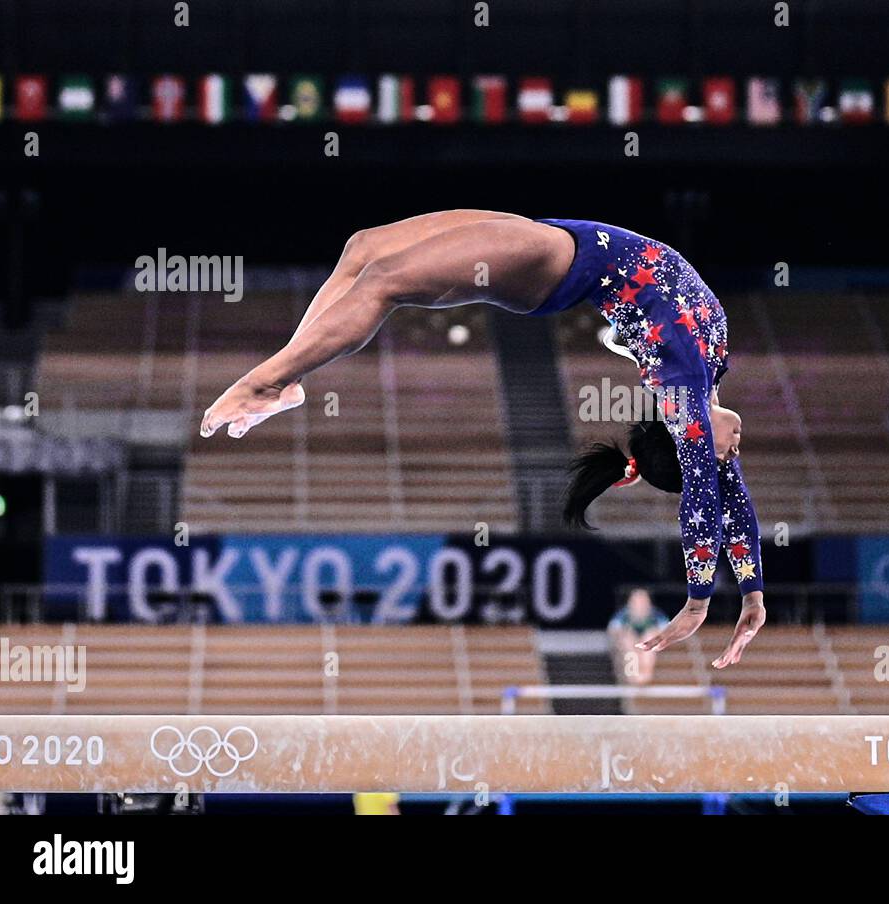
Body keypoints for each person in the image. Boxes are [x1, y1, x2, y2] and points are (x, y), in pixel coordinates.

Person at [200, 210, 765, 667]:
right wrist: (752, 593)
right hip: (556, 236)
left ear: (686, 437)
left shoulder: (682, 389)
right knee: (364, 247)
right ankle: (290, 381)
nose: (733, 456)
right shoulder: (707, 377)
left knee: (383, 282)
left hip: (553, 264)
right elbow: (731, 498)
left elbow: (705, 492)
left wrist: (696, 600)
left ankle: (265, 381)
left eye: (720, 456)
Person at [608, 588, 671, 684]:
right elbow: (613, 629)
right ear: (630, 603)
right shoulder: (623, 614)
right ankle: (632, 673)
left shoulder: (655, 614)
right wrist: (625, 633)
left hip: (648, 643)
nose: (640, 605)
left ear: (648, 603)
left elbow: (667, 629)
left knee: (649, 636)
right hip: (630, 643)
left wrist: (654, 632)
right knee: (627, 639)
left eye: (643, 602)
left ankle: (646, 671)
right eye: (636, 602)